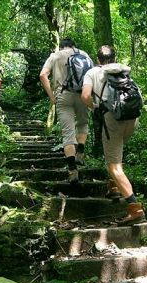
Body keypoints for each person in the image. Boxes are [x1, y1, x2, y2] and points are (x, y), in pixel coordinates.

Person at [81, 45, 145, 226]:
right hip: (132, 118)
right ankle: (114, 187)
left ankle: (135, 208)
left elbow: (85, 95)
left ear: (97, 59)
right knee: (116, 154)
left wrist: (93, 107)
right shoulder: (122, 71)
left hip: (113, 120)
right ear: (114, 57)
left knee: (114, 166)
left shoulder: (92, 72)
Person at [40, 38, 92, 184]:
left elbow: (43, 75)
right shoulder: (85, 54)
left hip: (63, 95)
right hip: (82, 94)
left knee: (68, 132)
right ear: (74, 45)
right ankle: (80, 151)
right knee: (83, 123)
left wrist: (51, 96)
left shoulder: (55, 56)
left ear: (61, 47)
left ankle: (72, 170)